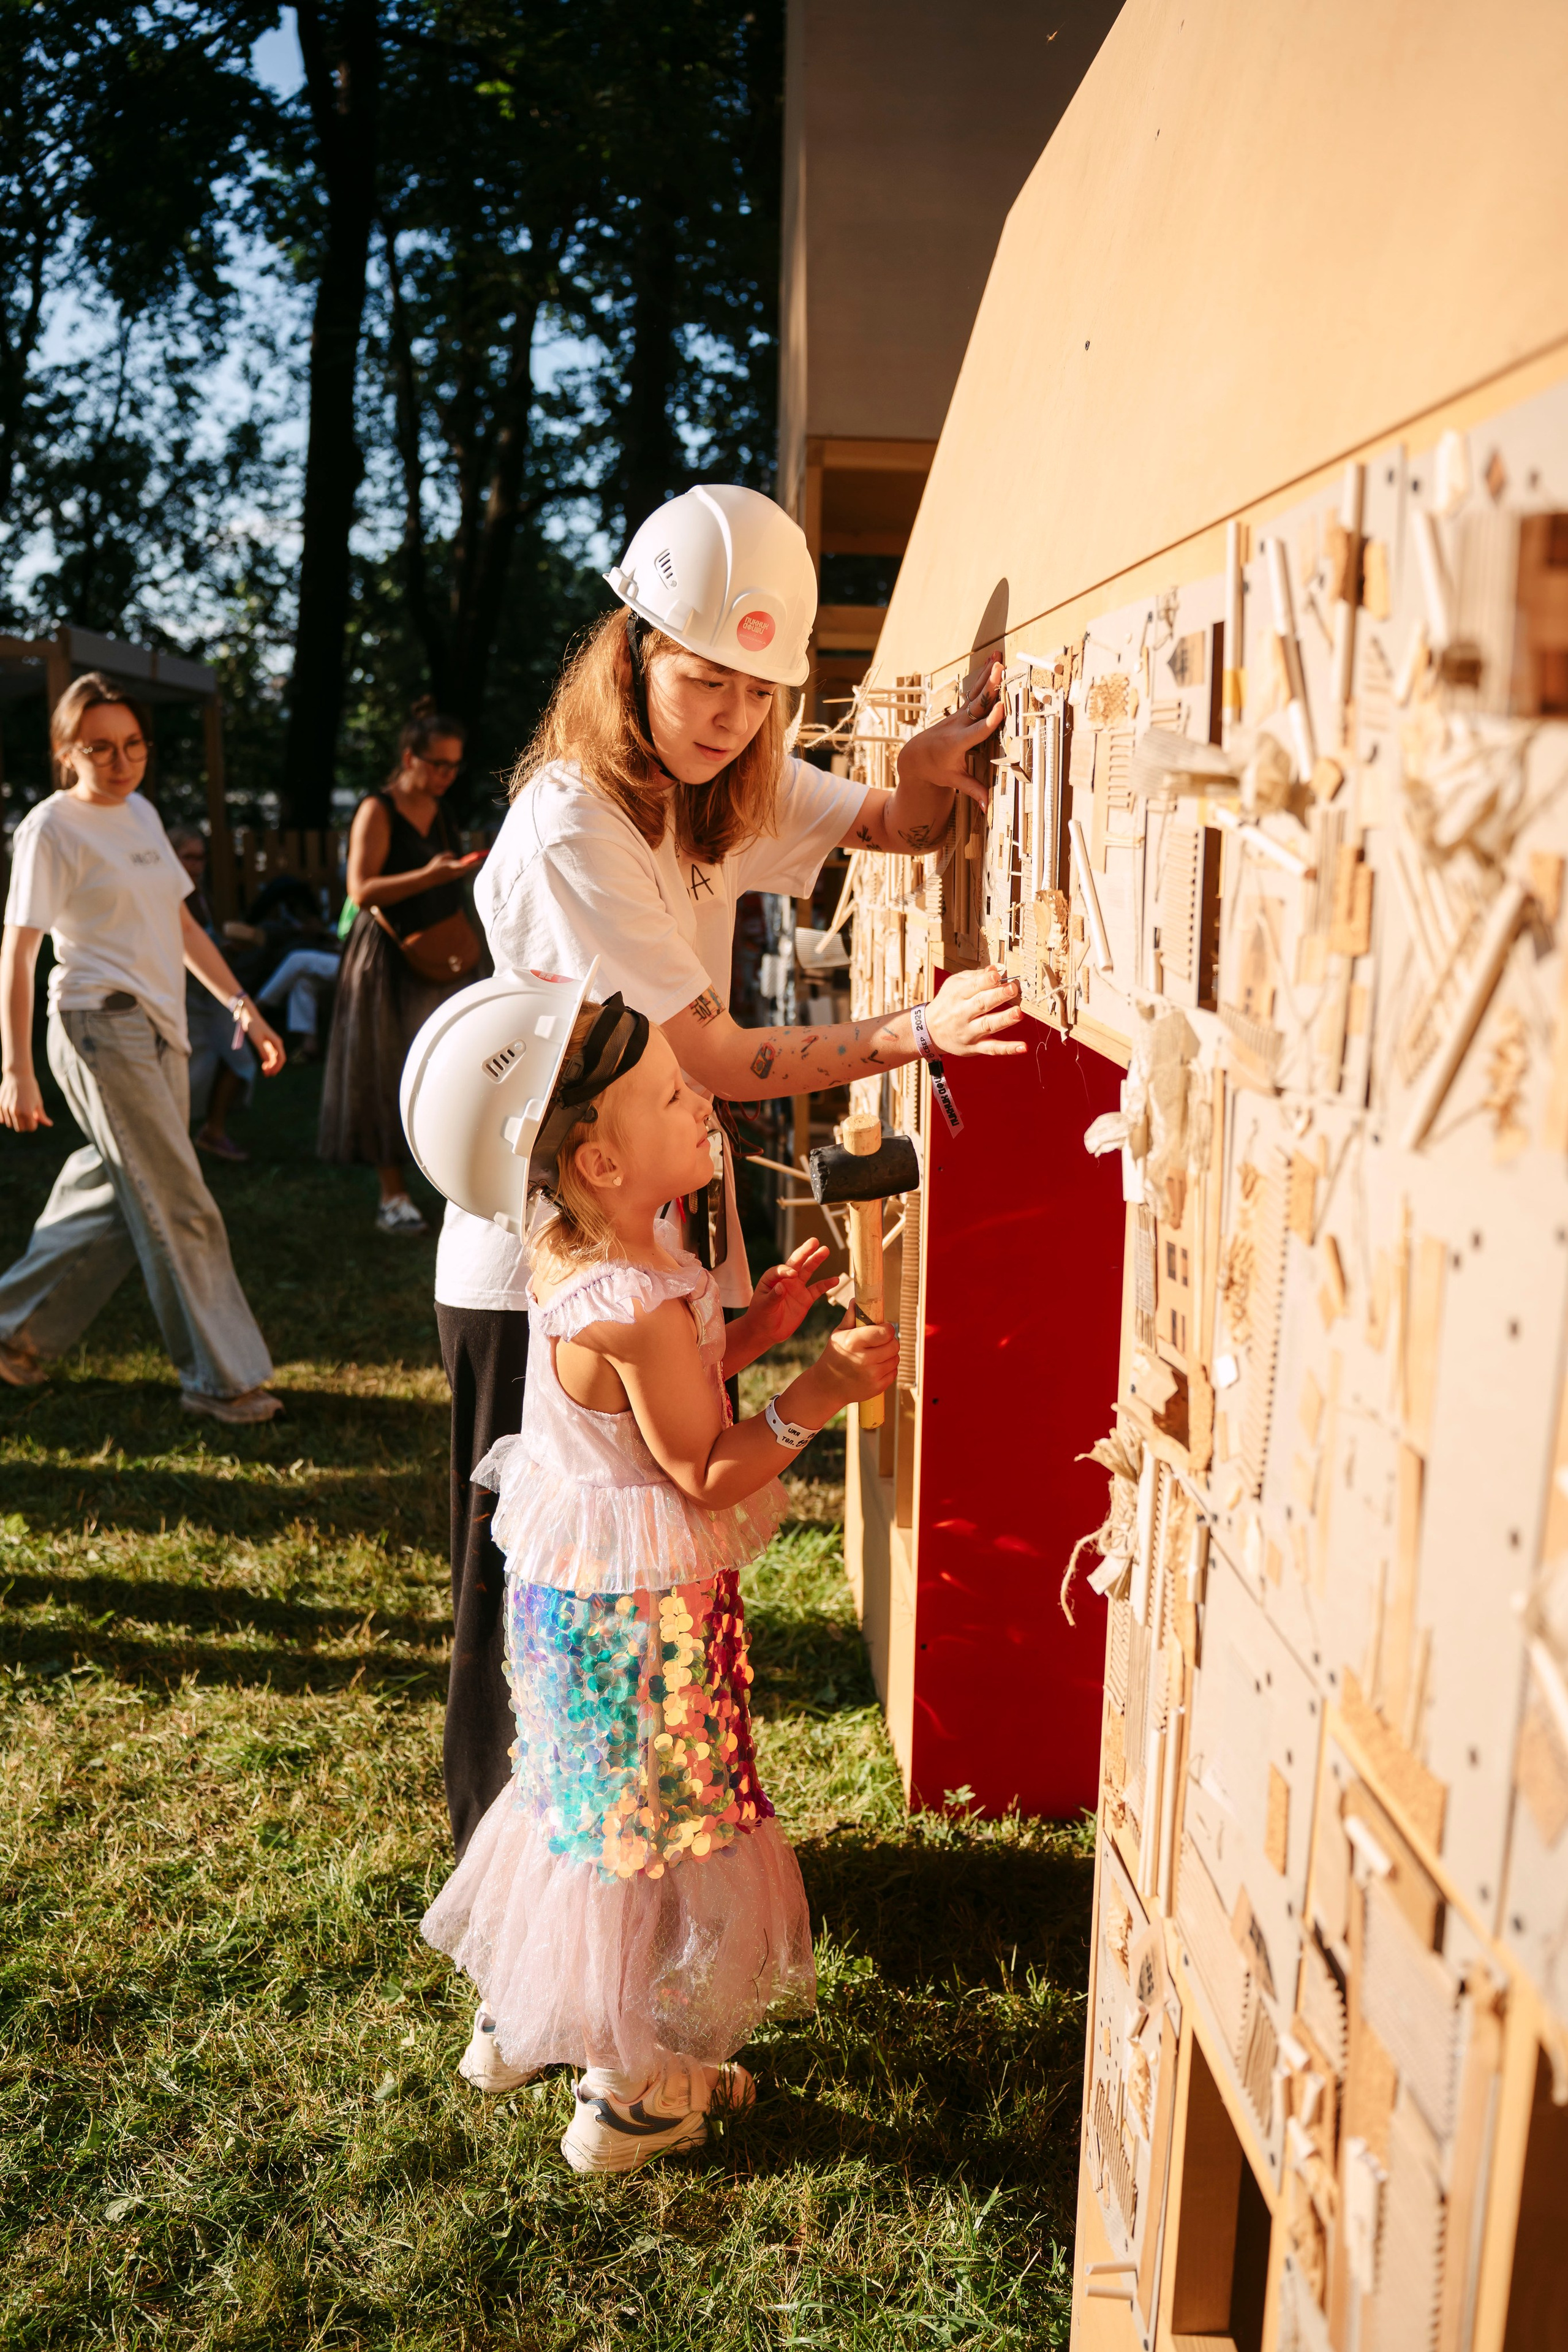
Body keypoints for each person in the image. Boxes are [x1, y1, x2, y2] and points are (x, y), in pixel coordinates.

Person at [432, 482, 1023, 1909]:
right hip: (542, 1274)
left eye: (759, 694)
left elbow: (886, 821)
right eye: (704, 679)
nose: (730, 718)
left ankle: (626, 1895)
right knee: (538, 1621)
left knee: (639, 1621)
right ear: (633, 648)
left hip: (638, 1247)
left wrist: (925, 769)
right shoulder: (576, 823)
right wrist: (905, 1032)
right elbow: (703, 1057)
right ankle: (522, 1918)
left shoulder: (712, 784)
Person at [421, 995, 898, 2173]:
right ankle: (627, 2090)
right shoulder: (632, 1304)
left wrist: (757, 1328)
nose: (705, 1107)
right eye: (675, 1095)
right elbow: (702, 1465)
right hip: (639, 1622)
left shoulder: (594, 1251)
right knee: (646, 1833)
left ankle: (525, 2014)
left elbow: (661, 1391)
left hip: (579, 1603)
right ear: (601, 1160)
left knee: (577, 1805)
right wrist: (818, 1393)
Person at [0, 674, 287, 1422]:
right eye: (100, 747)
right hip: (99, 1025)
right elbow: (19, 951)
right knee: (180, 1200)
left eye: (134, 745)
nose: (122, 761)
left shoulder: (141, 812)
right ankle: (220, 1380)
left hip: (162, 1027)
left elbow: (184, 926)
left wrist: (244, 1008)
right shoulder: (51, 828)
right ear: (67, 751)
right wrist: (15, 1068)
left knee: (114, 1188)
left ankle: (13, 1333)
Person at [318, 701, 483, 1234]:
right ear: (410, 757)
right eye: (439, 764)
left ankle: (452, 1180)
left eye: (455, 766)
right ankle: (393, 1194)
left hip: (441, 947)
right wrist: (430, 876)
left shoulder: (443, 811)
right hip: (386, 957)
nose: (447, 776)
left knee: (449, 1063)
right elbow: (360, 890)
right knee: (386, 1066)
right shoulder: (378, 808)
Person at [170, 829, 257, 1162]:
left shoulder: (200, 895)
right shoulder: (168, 894)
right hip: (185, 999)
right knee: (186, 1074)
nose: (197, 865)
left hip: (216, 998)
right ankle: (177, 1143)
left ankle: (213, 1130)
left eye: (201, 857)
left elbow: (201, 944)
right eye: (189, 857)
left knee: (239, 1061)